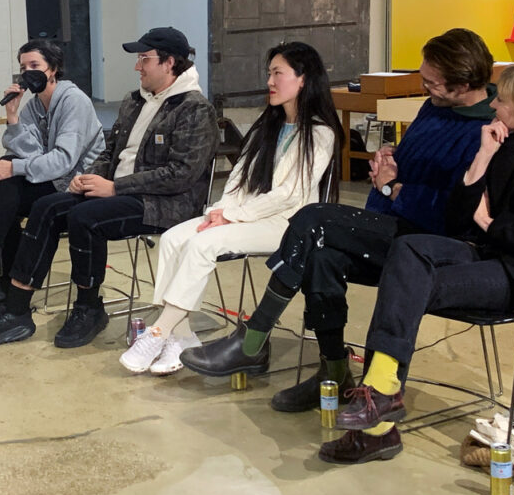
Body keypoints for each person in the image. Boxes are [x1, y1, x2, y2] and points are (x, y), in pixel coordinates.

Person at [181, 28, 497, 409]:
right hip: (399, 221)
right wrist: (390, 161)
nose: (424, 86)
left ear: (463, 84)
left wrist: (393, 189)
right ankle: (333, 372)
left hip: (435, 244)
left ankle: (254, 339)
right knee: (321, 253)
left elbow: (459, 211)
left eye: (432, 81)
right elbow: (410, 168)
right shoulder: (437, 106)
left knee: (314, 217)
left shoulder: (489, 132)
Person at [321, 61, 514, 464]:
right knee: (408, 249)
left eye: (502, 101)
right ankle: (382, 394)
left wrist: (489, 221)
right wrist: (482, 158)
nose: (494, 108)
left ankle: (378, 424)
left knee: (408, 283)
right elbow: (458, 220)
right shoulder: (505, 146)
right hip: (491, 254)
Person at [0, 27, 218, 349]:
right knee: (47, 207)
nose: (137, 67)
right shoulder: (134, 101)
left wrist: (115, 187)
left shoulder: (195, 109)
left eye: (144, 59)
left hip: (164, 203)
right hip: (119, 190)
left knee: (86, 217)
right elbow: (107, 152)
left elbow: (180, 174)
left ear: (169, 63)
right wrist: (88, 178)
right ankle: (15, 310)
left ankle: (88, 307)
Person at [120, 42, 341, 375]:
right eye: (269, 73)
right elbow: (238, 179)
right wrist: (219, 211)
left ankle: (158, 332)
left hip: (287, 224)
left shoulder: (321, 134)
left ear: (303, 79)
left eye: (278, 73)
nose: (270, 81)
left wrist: (232, 216)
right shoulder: (267, 127)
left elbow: (289, 194)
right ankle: (181, 337)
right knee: (173, 239)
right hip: (244, 215)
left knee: (201, 244)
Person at [0, 39, 105, 313]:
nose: (28, 71)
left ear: (53, 69)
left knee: (8, 174)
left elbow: (64, 160)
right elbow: (25, 152)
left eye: (35, 65)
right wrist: (12, 117)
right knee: (5, 183)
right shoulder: (33, 106)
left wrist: (17, 167)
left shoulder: (73, 101)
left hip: (77, 183)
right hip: (52, 179)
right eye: (23, 67)